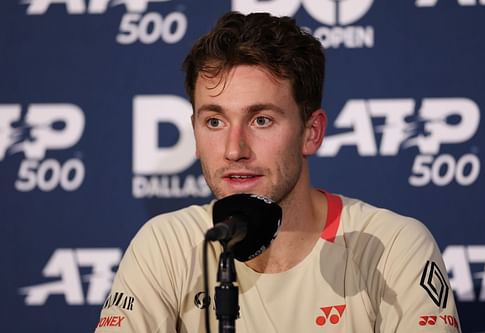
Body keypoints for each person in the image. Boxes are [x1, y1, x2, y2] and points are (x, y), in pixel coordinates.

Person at [95, 11, 460, 333]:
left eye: (262, 119)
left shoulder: (393, 247)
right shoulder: (165, 246)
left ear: (311, 132)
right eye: (215, 121)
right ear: (195, 132)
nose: (235, 149)